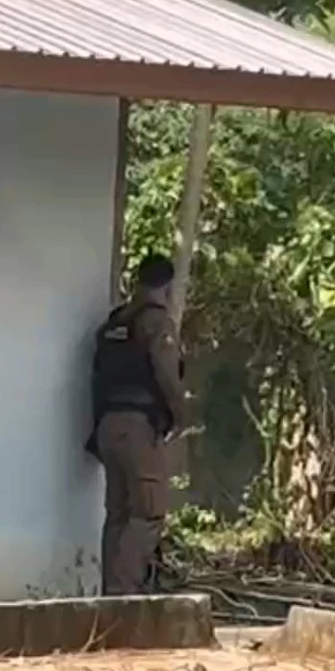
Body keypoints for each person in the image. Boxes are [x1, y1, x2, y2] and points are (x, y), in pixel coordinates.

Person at [88, 254, 189, 596]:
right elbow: (166, 374)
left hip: (108, 427)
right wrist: (180, 414)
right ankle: (124, 596)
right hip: (138, 427)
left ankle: (109, 595)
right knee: (147, 512)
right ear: (167, 287)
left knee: (118, 514)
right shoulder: (156, 323)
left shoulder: (114, 324)